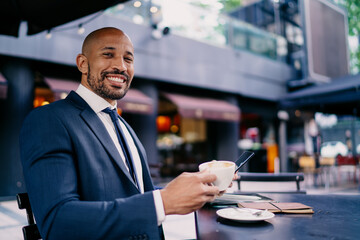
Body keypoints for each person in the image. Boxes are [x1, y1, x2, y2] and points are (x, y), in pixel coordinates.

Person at [20, 27, 221, 240]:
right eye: (108, 54)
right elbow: (57, 222)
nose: (121, 66)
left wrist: (198, 186)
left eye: (128, 59)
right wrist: (162, 203)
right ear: (82, 63)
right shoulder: (49, 120)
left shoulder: (123, 125)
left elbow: (134, 191)